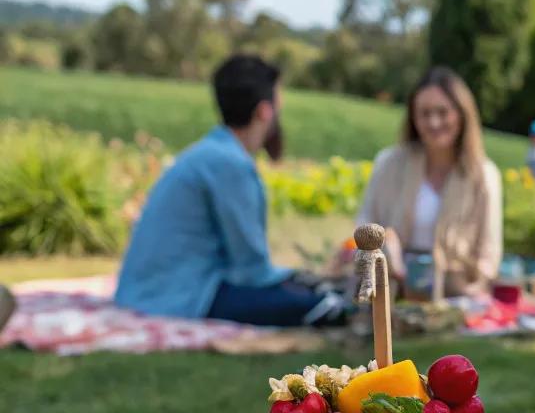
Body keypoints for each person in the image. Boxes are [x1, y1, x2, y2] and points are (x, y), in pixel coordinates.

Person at [115, 55, 348, 326]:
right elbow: (251, 269)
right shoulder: (231, 164)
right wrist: (304, 280)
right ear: (264, 111)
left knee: (305, 289)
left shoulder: (209, 152)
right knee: (322, 303)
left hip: (142, 291)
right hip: (178, 297)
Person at [355, 66, 502, 297]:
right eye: (424, 113)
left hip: (457, 293)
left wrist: (474, 290)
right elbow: (364, 223)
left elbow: (489, 251)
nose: (434, 122)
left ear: (462, 115)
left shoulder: (484, 174)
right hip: (389, 290)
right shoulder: (388, 163)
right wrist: (383, 247)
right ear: (413, 118)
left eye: (443, 112)